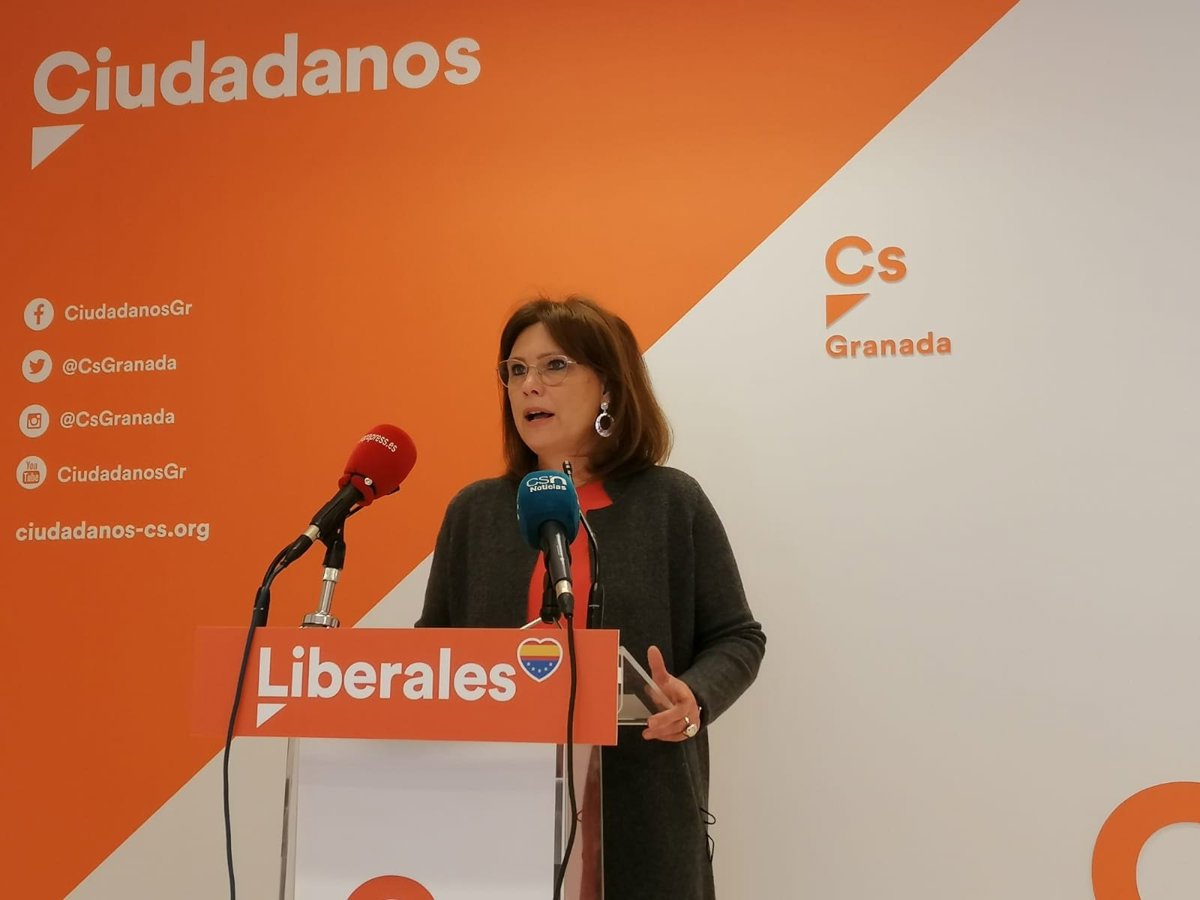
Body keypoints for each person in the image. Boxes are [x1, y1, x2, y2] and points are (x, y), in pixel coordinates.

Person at [417, 296, 766, 899]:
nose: (529, 385)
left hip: (640, 809)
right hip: (495, 807)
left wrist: (694, 696)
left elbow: (737, 637)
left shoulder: (670, 502)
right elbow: (435, 648)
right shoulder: (475, 512)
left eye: (554, 365)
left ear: (608, 385)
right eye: (516, 370)